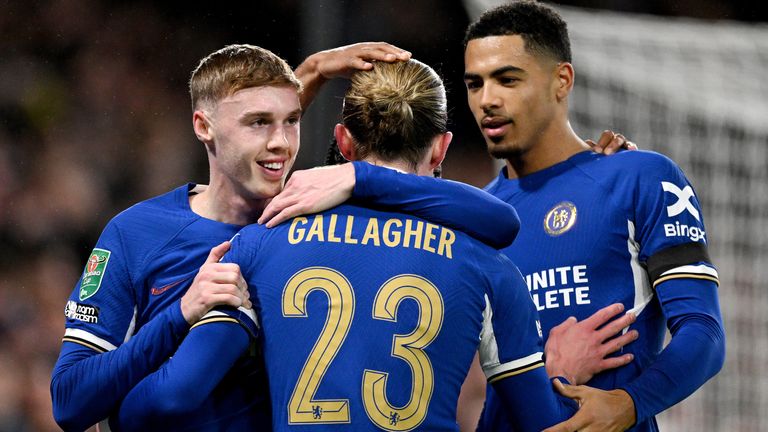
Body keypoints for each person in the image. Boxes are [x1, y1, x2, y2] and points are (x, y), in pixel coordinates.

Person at [50, 43, 524, 431]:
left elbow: (498, 220)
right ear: (203, 127)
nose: (281, 142)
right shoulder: (137, 234)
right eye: (259, 123)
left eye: (293, 121)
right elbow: (70, 402)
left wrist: (360, 178)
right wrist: (179, 314)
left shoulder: (301, 220)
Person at [459, 2, 725, 431]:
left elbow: (703, 333)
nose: (487, 100)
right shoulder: (474, 221)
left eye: (508, 79)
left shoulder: (639, 177)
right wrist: (551, 370)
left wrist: (628, 403)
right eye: (475, 84)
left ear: (561, 80)